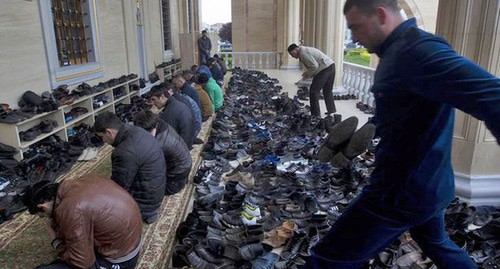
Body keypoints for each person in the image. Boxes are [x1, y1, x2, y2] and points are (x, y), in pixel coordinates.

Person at [304, 0, 500, 268]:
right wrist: (370, 131)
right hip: (433, 184)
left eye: (356, 27)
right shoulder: (399, 52)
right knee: (435, 242)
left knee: (329, 257)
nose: (353, 37)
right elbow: (407, 111)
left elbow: (493, 98)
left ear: (381, 15)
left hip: (401, 191)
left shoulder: (418, 53)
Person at [23, 174, 142, 269]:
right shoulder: (82, 181)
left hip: (121, 261)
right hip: (130, 242)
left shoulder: (71, 208)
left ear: (42, 206)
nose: (46, 218)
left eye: (42, 216)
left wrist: (56, 242)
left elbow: (83, 262)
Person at [94, 112, 166, 224]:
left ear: (109, 132)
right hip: (156, 191)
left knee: (99, 208)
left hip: (146, 203)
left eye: (102, 137)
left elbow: (119, 188)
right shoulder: (136, 130)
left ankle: (145, 214)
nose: (103, 141)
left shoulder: (124, 152)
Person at [134, 111, 192, 195]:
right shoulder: (162, 124)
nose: (147, 135)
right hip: (183, 168)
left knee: (140, 187)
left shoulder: (159, 143)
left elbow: (150, 168)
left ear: (155, 126)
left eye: (149, 132)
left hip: (175, 180)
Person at [287, 43, 337, 117]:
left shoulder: (303, 53)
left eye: (292, 54)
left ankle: (315, 115)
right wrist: (307, 73)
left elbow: (314, 66)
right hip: (331, 66)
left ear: (295, 50)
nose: (293, 57)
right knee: (327, 90)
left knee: (313, 92)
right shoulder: (304, 50)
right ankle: (331, 110)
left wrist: (307, 74)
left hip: (324, 69)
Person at [148, 83, 195, 149]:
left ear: (162, 97)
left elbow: (167, 138)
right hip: (187, 143)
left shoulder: (169, 112)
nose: (152, 103)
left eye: (154, 99)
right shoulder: (176, 104)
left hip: (182, 149)